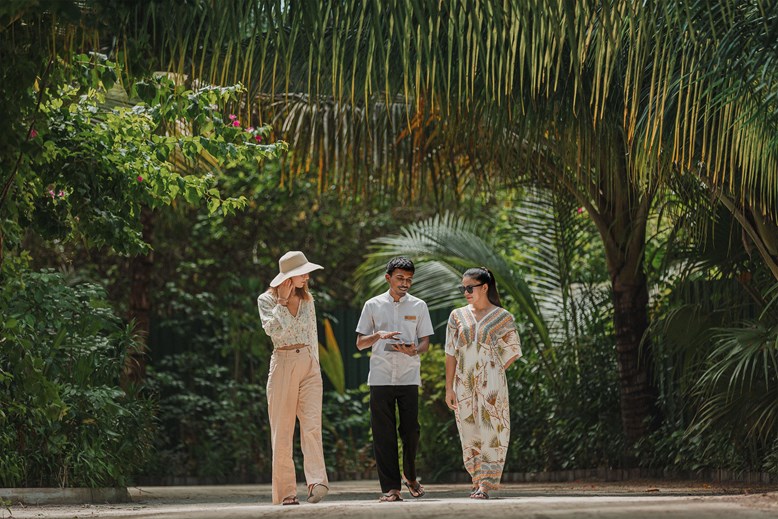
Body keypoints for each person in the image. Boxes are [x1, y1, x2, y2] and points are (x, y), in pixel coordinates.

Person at [356, 257, 434, 502]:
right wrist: (377, 335)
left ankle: (409, 475)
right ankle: (391, 489)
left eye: (409, 279)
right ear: (388, 277)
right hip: (380, 378)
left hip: (409, 376)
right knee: (383, 435)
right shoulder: (372, 305)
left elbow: (425, 343)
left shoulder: (419, 306)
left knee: (411, 431)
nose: (405, 283)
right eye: (400, 278)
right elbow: (360, 343)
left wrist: (415, 350)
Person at [257, 251, 329, 506]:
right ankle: (286, 492)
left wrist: (315, 367)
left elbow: (312, 334)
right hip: (283, 362)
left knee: (311, 425)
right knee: (283, 430)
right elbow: (274, 331)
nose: (307, 276)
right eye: (303, 272)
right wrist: (282, 302)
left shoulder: (308, 299)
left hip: (309, 363)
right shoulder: (266, 300)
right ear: (287, 277)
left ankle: (317, 482)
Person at [444, 267, 522, 499]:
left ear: (484, 287)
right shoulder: (456, 316)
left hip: (492, 385)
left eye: (470, 288)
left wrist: (491, 373)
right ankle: (477, 478)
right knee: (468, 432)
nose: (465, 292)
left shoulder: (503, 317)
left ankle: (486, 484)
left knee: (493, 431)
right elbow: (450, 353)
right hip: (462, 384)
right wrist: (449, 387)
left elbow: (511, 352)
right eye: (463, 288)